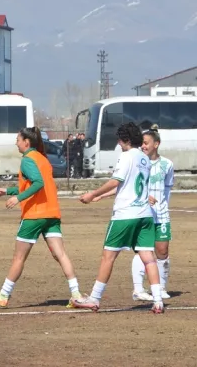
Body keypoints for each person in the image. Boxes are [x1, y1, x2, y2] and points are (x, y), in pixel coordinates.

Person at [0, 127, 83, 308]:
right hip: (51, 213)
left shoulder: (28, 160)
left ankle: (3, 294)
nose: (16, 142)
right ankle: (76, 293)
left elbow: (38, 183)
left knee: (19, 258)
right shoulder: (42, 159)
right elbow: (35, 185)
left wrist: (17, 198)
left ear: (26, 142)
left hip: (34, 216)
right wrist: (9, 190)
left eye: (18, 139)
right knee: (60, 255)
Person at [73, 122, 164, 314]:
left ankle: (94, 299)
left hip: (125, 215)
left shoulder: (126, 156)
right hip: (145, 215)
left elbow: (117, 180)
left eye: (120, 140)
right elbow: (128, 185)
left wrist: (91, 194)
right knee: (148, 257)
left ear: (127, 140)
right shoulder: (145, 159)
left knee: (108, 257)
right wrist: (101, 196)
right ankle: (157, 301)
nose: (119, 144)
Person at [97, 127, 174, 301]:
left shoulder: (166, 165)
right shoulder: (139, 160)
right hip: (142, 212)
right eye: (143, 143)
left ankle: (160, 288)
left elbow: (167, 188)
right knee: (143, 251)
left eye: (147, 143)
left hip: (159, 213)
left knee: (161, 251)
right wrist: (100, 195)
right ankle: (139, 289)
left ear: (156, 144)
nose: (144, 146)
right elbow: (128, 185)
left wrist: (163, 204)